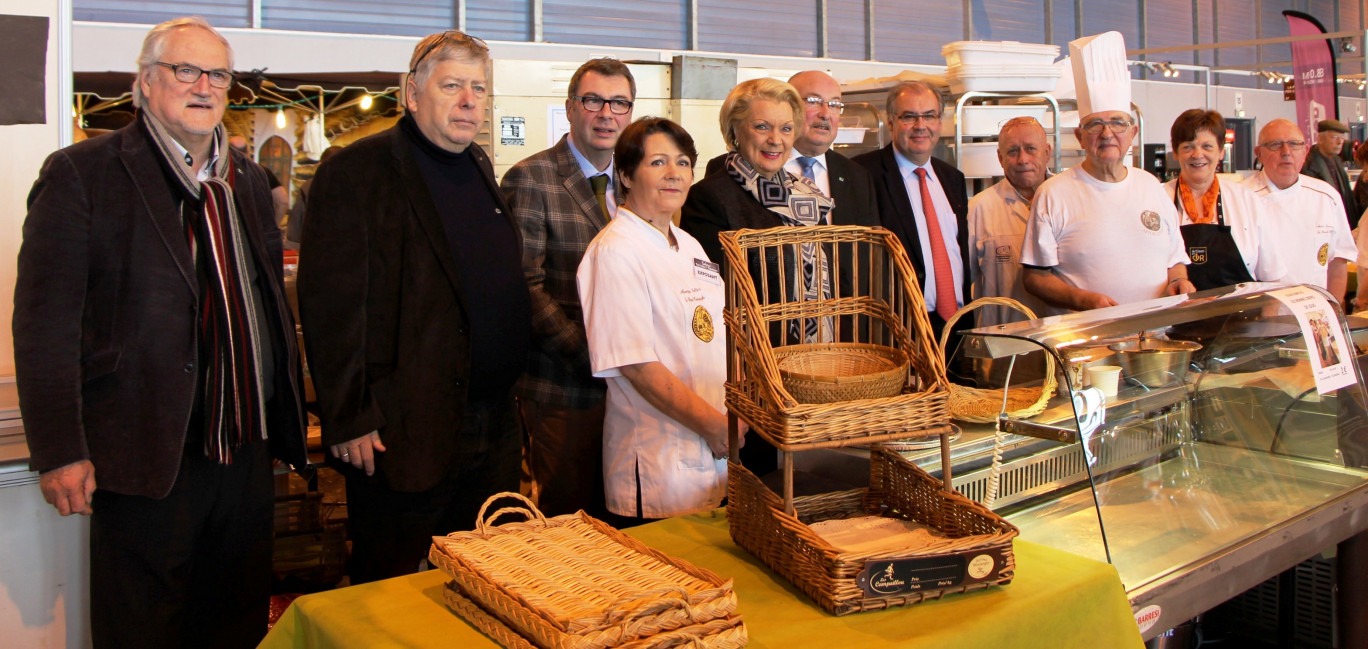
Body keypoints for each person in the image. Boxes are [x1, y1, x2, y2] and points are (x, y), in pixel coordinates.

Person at [15, 17, 307, 648]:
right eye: (185, 70)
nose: (204, 86)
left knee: (233, 622)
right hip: (147, 454)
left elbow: (263, 304)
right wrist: (60, 447)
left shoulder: (247, 180)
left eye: (219, 75)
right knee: (141, 628)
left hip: (244, 450)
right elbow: (45, 322)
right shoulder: (83, 173)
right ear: (145, 83)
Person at [297, 30, 531, 583]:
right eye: (452, 86)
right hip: (402, 430)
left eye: (479, 88)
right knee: (391, 586)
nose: (470, 100)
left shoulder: (476, 163)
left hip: (490, 426)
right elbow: (330, 307)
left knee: (486, 582)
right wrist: (348, 417)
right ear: (411, 92)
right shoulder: (358, 171)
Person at [578, 117, 733, 521]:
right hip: (655, 463)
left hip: (713, 450)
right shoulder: (616, 251)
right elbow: (636, 364)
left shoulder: (689, 244)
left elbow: (711, 334)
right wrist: (714, 425)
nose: (674, 175)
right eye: (658, 162)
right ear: (626, 175)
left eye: (683, 163)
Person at [502, 58, 635, 518]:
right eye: (593, 100)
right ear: (571, 108)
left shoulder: (635, 181)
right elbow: (524, 285)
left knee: (621, 513)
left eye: (619, 103)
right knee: (570, 518)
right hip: (565, 387)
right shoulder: (531, 177)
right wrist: (594, 359)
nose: (606, 113)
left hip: (633, 387)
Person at [678, 78, 829, 477]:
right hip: (750, 374)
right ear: (735, 131)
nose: (775, 140)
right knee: (761, 483)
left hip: (809, 371)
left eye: (785, 128)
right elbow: (712, 297)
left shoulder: (807, 197)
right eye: (762, 127)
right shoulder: (710, 196)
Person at [1021, 31, 1192, 313]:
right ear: (1079, 135)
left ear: (1133, 133)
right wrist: (1081, 299)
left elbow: (1175, 260)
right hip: (1087, 339)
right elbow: (1034, 277)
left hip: (1157, 337)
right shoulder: (1054, 193)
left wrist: (1179, 281)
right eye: (1095, 124)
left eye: (1117, 123)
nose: (1107, 133)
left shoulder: (1152, 186)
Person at [853, 80, 971, 338]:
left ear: (940, 122)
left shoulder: (953, 178)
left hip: (956, 326)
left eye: (929, 116)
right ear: (891, 122)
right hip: (899, 329)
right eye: (909, 117)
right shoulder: (862, 174)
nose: (921, 126)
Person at [1162, 109, 1285, 291]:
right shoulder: (1159, 199)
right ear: (1175, 152)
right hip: (1177, 315)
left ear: (1221, 152)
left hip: (1239, 315)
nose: (1197, 154)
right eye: (1188, 146)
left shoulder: (1246, 200)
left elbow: (1272, 277)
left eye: (1207, 146)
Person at [1245, 118, 1356, 300]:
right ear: (1259, 153)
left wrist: (1334, 312)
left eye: (1294, 145)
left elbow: (1338, 260)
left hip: (1315, 314)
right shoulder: (1242, 198)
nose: (1286, 152)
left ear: (1304, 151)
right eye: (1275, 145)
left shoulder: (1327, 196)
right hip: (1261, 317)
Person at [966, 116, 1052, 326]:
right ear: (1000, 157)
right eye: (1013, 151)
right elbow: (959, 286)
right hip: (1002, 344)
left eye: (1031, 148)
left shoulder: (1068, 199)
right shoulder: (979, 208)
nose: (1023, 159)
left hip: (1062, 338)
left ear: (1047, 152)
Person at [784, 70, 880, 225]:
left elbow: (869, 246)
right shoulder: (763, 170)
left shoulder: (857, 177)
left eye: (834, 104)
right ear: (787, 106)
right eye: (813, 101)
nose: (825, 114)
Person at [1301, 119, 1360, 230]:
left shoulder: (1337, 161)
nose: (1339, 142)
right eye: (1334, 137)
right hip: (1324, 227)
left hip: (1344, 225)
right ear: (1320, 139)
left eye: (1342, 138)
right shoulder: (1308, 167)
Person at [230, 134, 289, 227]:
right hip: (257, 230)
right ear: (248, 151)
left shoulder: (219, 174)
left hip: (229, 230)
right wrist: (273, 227)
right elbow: (283, 202)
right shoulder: (262, 173)